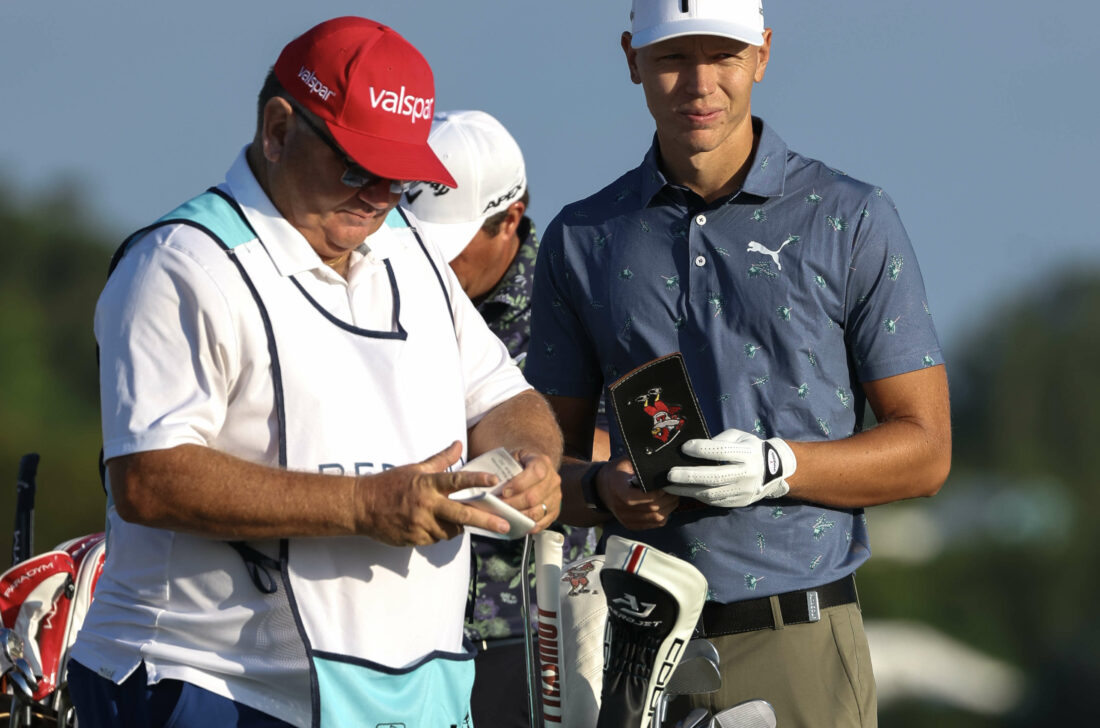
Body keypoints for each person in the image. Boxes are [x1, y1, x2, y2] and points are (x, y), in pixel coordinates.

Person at [67, 17, 562, 728]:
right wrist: (364, 506)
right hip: (210, 688)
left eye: (398, 178)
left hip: (401, 693)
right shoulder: (181, 264)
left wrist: (535, 460)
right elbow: (150, 477)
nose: (376, 197)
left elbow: (505, 396)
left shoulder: (408, 250)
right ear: (277, 130)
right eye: (355, 168)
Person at [525, 2, 951, 727]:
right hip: (634, 646)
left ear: (762, 54)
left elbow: (926, 453)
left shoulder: (849, 217)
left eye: (722, 55)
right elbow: (543, 472)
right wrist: (603, 486)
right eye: (671, 58)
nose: (699, 83)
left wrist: (781, 464)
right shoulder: (581, 238)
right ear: (631, 59)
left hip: (800, 640)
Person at [401, 109, 598, 727]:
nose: (431, 267)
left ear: (509, 220)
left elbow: (632, 442)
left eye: (449, 251)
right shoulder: (385, 280)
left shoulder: (579, 298)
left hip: (534, 630)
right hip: (405, 633)